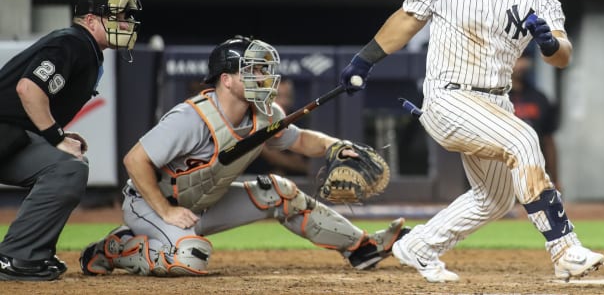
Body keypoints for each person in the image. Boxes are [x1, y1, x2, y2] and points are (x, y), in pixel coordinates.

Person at [338, 0, 604, 283]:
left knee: (494, 199)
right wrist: (364, 61)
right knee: (524, 139)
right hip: (448, 97)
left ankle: (420, 246)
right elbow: (408, 19)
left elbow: (563, 56)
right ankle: (564, 249)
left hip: (494, 102)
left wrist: (548, 45)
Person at [79, 36, 408, 277]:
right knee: (189, 258)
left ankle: (361, 247)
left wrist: (336, 146)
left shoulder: (265, 114)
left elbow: (301, 140)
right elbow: (134, 160)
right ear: (226, 80)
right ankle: (116, 248)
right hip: (152, 205)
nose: (263, 77)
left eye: (264, 70)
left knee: (279, 192)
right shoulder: (191, 118)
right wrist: (166, 211)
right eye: (252, 70)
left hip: (203, 205)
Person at [0, 0, 142, 281]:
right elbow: (28, 89)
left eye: (128, 17)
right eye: (118, 16)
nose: (126, 23)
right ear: (90, 20)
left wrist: (58, 135)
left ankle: (25, 255)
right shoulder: (73, 42)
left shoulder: (85, 47)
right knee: (66, 166)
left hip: (10, 136)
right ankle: (17, 257)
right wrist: (55, 137)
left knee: (66, 166)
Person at [509, 51, 560, 188]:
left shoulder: (540, 98)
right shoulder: (496, 97)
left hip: (535, 171)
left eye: (525, 59)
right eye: (517, 59)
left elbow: (549, 140)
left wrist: (555, 179)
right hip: (504, 174)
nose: (521, 64)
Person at [248, 78, 310, 176]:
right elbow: (263, 151)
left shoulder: (299, 120)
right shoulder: (253, 119)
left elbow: (303, 165)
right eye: (279, 96)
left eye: (288, 97)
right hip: (251, 178)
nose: (284, 102)